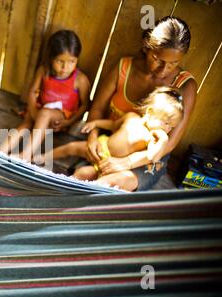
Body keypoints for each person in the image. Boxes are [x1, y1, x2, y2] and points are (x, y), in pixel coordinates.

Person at [83, 16, 196, 191]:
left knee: (110, 183)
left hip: (150, 157)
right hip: (110, 138)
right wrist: (92, 137)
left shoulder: (185, 86)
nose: (164, 70)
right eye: (157, 59)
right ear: (146, 47)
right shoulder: (124, 68)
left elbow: (170, 144)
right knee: (84, 172)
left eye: (174, 63)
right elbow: (97, 109)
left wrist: (127, 162)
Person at [37, 87, 183, 191]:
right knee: (72, 147)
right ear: (150, 113)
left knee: (87, 175)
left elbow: (153, 156)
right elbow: (113, 125)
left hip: (110, 165)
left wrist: (163, 140)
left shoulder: (152, 138)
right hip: (103, 146)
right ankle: (44, 158)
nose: (168, 129)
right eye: (166, 123)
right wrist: (96, 123)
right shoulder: (131, 118)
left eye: (171, 127)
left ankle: (79, 194)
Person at [0, 29, 91, 161]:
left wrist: (68, 122)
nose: (65, 67)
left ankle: (25, 154)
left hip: (61, 118)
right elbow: (32, 92)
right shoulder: (44, 71)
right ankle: (0, 152)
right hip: (40, 110)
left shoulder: (80, 80)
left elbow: (85, 105)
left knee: (44, 114)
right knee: (27, 123)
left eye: (71, 62)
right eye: (60, 61)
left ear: (77, 59)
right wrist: (33, 112)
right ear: (51, 58)